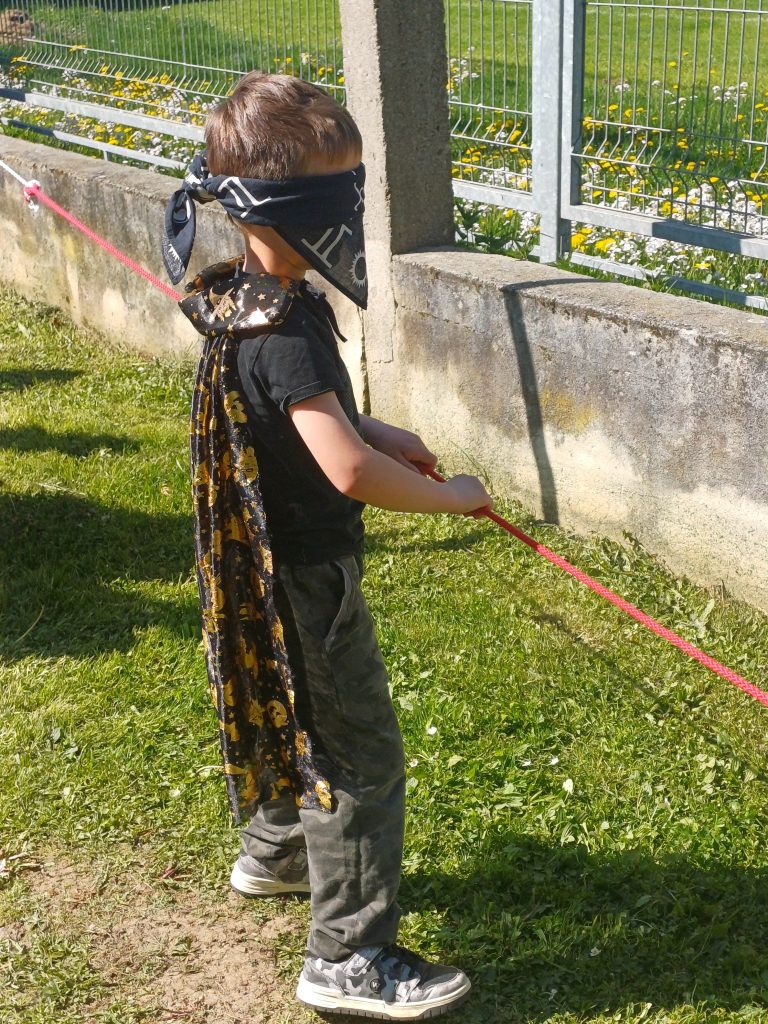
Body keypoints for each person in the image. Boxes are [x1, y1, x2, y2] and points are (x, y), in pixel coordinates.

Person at [162, 71, 491, 1021]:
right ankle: (348, 956)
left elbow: (307, 423)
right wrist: (452, 498)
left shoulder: (245, 298)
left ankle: (276, 851)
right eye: (340, 193)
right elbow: (343, 471)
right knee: (358, 758)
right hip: (308, 576)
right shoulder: (290, 333)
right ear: (300, 211)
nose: (352, 209)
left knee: (287, 704)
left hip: (257, 567)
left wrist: (378, 429)